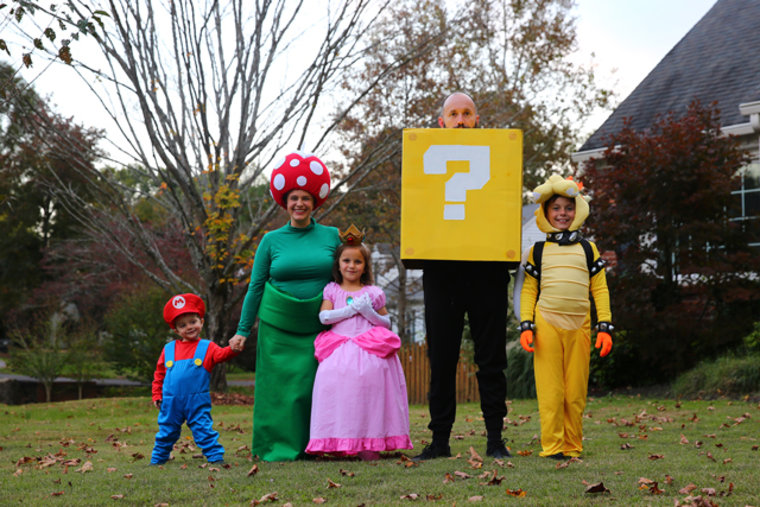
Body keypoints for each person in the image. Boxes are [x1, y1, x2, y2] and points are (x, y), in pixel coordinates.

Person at [414, 92, 511, 460]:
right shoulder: (425, 159)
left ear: (477, 119)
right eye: (453, 114)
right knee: (441, 359)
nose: (460, 119)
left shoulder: (498, 155)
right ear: (441, 121)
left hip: (486, 270)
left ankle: (495, 439)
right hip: (442, 271)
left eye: (466, 113)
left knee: (491, 359)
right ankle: (439, 440)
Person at [228, 151, 340, 461]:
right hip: (277, 329)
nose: (300, 203)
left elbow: (350, 276)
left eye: (305, 198)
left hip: (319, 327)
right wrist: (242, 331)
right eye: (294, 198)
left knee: (311, 389)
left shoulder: (333, 236)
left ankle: (314, 446)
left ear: (314, 201)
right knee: (276, 391)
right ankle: (273, 448)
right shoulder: (270, 240)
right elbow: (255, 287)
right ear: (285, 202)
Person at [518, 174, 613, 459]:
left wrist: (605, 326)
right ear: (546, 213)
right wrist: (526, 324)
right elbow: (528, 291)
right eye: (556, 208)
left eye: (568, 208)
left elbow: (600, 288)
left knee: (575, 392)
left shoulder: (588, 249)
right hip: (546, 324)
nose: (562, 214)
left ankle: (572, 445)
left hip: (580, 327)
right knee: (551, 392)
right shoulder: (537, 251)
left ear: (577, 211)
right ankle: (552, 446)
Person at [306, 224, 413, 460]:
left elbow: (386, 322)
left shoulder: (373, 292)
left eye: (357, 262)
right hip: (339, 346)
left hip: (369, 345)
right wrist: (351, 309)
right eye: (346, 261)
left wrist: (369, 313)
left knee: (369, 390)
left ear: (365, 266)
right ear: (338, 264)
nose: (351, 266)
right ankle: (340, 440)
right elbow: (324, 317)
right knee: (336, 388)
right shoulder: (332, 290)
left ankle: (370, 442)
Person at [151, 293, 240, 465]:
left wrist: (233, 348)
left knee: (203, 428)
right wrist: (156, 395)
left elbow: (221, 355)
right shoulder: (169, 349)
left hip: (196, 399)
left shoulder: (207, 347)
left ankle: (215, 458)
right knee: (166, 431)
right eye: (183, 325)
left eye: (193, 321)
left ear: (202, 322)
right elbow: (159, 374)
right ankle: (157, 460)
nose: (189, 327)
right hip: (170, 401)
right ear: (176, 330)